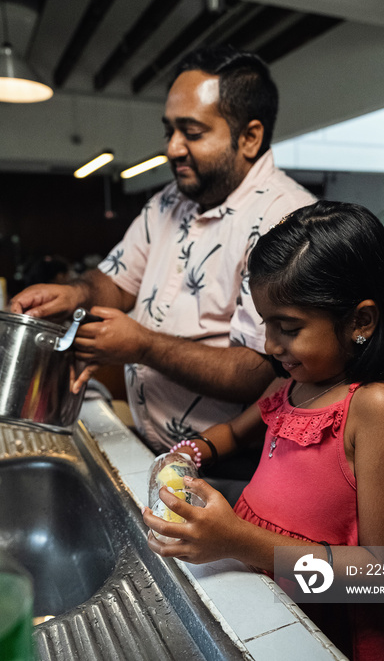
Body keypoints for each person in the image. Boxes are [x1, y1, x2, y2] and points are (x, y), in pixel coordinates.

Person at [142, 201, 384, 660]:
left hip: (328, 620)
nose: (269, 344)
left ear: (360, 321)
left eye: (289, 327)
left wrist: (237, 539)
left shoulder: (376, 405)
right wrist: (190, 454)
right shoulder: (295, 381)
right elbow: (237, 434)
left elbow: (383, 575)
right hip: (265, 588)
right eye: (265, 323)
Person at [9, 45, 313, 455]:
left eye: (192, 132)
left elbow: (257, 371)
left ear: (249, 137)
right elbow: (117, 279)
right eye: (169, 130)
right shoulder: (170, 200)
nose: (172, 147)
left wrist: (143, 345)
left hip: (232, 461)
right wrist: (75, 293)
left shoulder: (288, 220)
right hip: (158, 445)